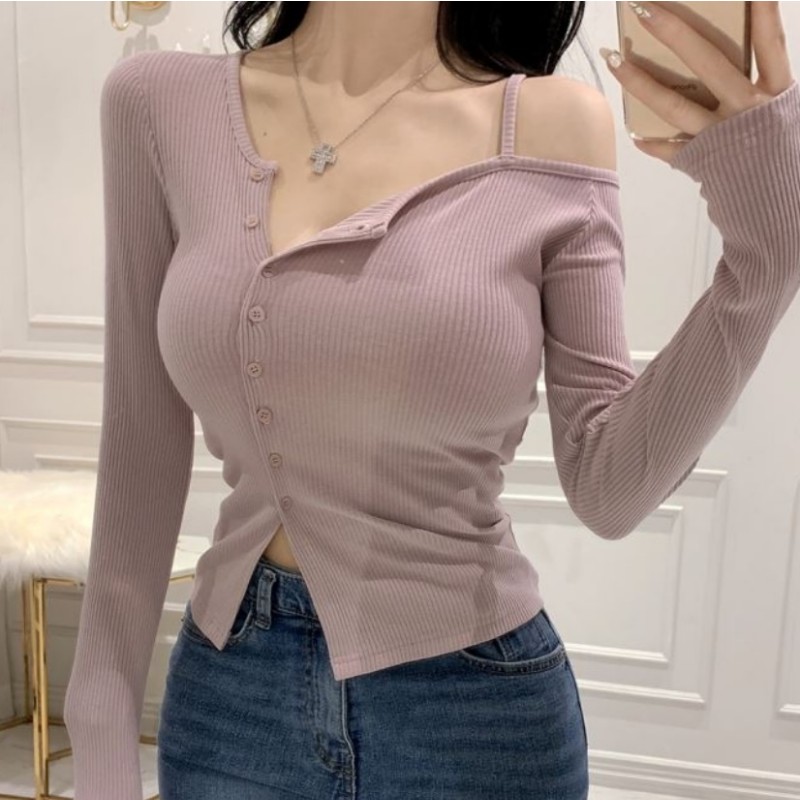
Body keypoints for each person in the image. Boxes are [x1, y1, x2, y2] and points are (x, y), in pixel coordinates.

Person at [62, 2, 799, 799]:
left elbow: (610, 486)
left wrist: (767, 260)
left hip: (476, 717)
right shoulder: (157, 102)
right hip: (231, 708)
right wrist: (99, 741)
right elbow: (139, 449)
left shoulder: (551, 124)